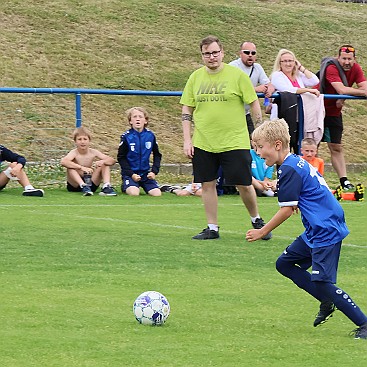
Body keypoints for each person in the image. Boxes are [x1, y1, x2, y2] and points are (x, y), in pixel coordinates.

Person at [246, 118, 367, 340]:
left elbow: (287, 209)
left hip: (325, 228)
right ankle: (326, 299)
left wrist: (262, 231)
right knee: (284, 264)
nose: (258, 152)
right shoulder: (293, 163)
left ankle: (363, 322)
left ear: (277, 145)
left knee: (322, 281)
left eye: (260, 147)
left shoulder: (289, 168)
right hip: (318, 226)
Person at [180, 35, 271, 240]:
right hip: (204, 141)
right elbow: (187, 109)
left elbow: (254, 103)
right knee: (207, 184)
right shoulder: (195, 77)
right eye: (207, 54)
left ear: (222, 53)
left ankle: (257, 220)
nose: (211, 57)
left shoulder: (237, 76)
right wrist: (187, 140)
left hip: (234, 141)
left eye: (214, 52)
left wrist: (259, 132)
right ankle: (212, 227)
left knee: (244, 184)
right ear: (202, 55)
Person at [320, 45, 367, 190]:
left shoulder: (356, 68)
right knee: (310, 145)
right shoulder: (331, 67)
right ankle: (311, 179)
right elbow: (341, 89)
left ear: (354, 59)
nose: (346, 62)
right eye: (344, 58)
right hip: (317, 110)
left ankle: (344, 181)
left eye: (349, 59)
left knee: (336, 146)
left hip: (334, 112)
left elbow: (365, 88)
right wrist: (346, 94)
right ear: (338, 57)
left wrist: (345, 97)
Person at [229, 41, 275, 136]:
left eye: (253, 53)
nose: (250, 55)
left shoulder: (257, 67)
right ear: (240, 53)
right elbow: (233, 89)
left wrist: (270, 89)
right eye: (247, 52)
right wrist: (256, 89)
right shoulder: (232, 67)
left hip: (245, 113)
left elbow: (269, 84)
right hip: (231, 114)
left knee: (254, 141)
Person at [117, 107, 162, 196]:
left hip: (146, 174)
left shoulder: (150, 136)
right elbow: (121, 158)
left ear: (145, 121)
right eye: (134, 117)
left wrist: (153, 172)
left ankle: (147, 184)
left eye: (140, 117)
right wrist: (131, 174)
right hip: (131, 174)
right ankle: (126, 185)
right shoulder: (126, 137)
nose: (138, 119)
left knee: (157, 194)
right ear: (130, 121)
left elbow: (157, 155)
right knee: (134, 193)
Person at [60, 126, 117, 196]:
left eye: (85, 139)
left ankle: (107, 186)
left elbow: (112, 160)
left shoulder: (93, 152)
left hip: (90, 182)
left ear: (89, 140)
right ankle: (83, 185)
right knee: (70, 167)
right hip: (75, 184)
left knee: (105, 164)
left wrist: (102, 162)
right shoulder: (74, 152)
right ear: (75, 141)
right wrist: (81, 168)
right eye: (79, 139)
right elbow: (63, 162)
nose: (82, 142)